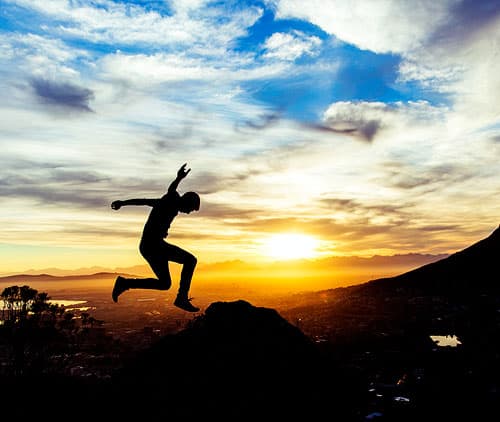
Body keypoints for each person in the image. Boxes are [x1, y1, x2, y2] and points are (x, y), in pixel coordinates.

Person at [110, 163, 200, 312]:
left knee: (165, 284)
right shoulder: (170, 200)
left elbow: (148, 201)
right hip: (153, 246)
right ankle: (181, 298)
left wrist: (123, 203)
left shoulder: (172, 205)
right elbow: (165, 192)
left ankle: (125, 283)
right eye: (190, 209)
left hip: (152, 246)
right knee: (191, 260)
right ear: (187, 202)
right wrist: (178, 178)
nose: (189, 212)